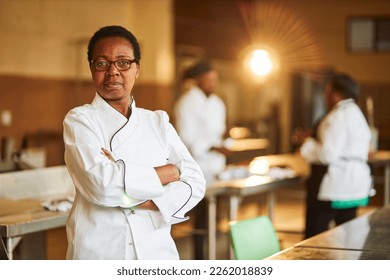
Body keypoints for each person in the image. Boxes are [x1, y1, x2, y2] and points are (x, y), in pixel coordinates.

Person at [63, 25, 206, 260]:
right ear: (91, 68)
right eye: (101, 63)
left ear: (137, 68)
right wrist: (167, 173)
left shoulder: (158, 121)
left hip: (157, 254)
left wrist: (152, 201)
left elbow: (196, 181)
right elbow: (102, 184)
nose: (112, 72)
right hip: (100, 253)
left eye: (123, 62)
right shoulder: (79, 120)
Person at [300, 72, 372, 238]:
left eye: (328, 90)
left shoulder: (337, 116)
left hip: (335, 186)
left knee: (314, 238)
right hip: (354, 186)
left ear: (337, 93)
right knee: (349, 238)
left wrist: (308, 144)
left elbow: (328, 154)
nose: (325, 94)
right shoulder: (357, 114)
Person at [174, 60, 229, 259]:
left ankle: (209, 255)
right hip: (196, 165)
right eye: (209, 79)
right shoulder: (186, 102)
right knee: (199, 217)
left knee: (210, 215)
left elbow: (220, 132)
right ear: (197, 79)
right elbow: (185, 136)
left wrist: (223, 143)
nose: (213, 83)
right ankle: (199, 257)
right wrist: (212, 146)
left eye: (215, 79)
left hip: (215, 166)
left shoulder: (217, 103)